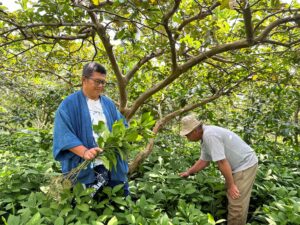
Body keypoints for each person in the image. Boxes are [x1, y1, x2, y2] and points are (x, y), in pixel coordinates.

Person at [53, 62, 129, 197]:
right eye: (97, 81)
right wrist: (85, 152)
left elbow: (122, 125)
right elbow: (63, 133)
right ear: (84, 80)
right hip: (85, 165)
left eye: (103, 82)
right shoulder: (69, 104)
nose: (100, 86)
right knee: (87, 203)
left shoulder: (108, 104)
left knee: (116, 201)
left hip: (110, 162)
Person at [179, 114, 258, 225]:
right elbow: (204, 161)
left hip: (245, 165)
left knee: (236, 204)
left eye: (187, 135)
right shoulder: (205, 136)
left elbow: (221, 162)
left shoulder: (210, 135)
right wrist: (188, 172)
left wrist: (231, 185)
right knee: (233, 198)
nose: (187, 138)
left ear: (195, 131)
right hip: (238, 165)